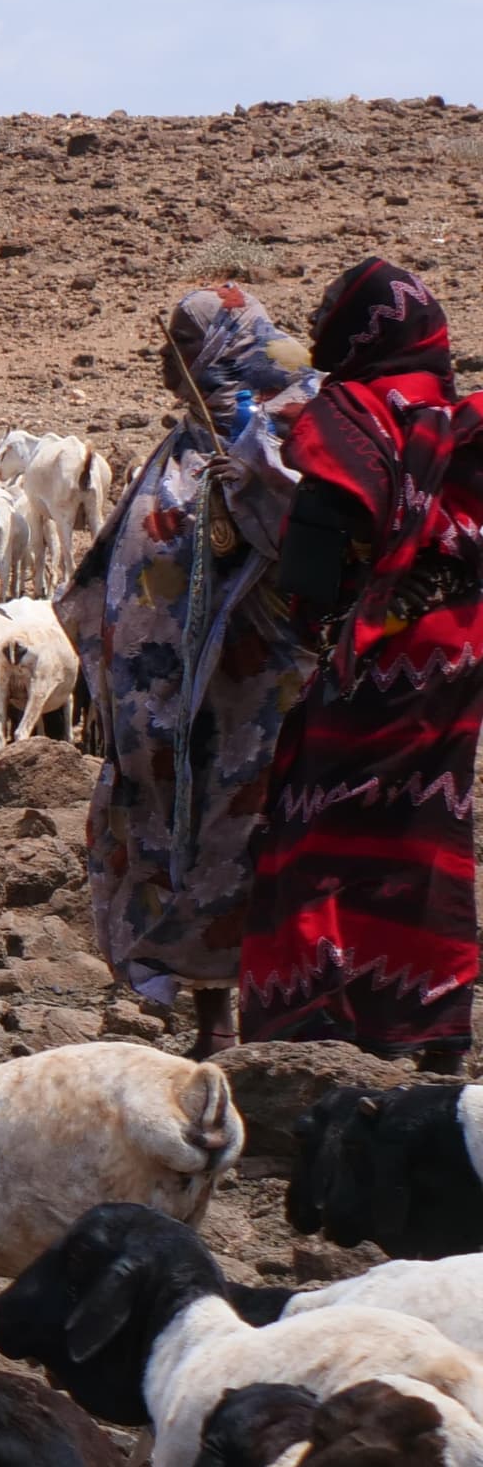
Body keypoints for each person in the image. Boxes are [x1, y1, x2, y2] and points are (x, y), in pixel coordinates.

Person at [62, 284, 320, 1055]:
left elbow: (291, 537)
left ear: (220, 346)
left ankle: (278, 1016)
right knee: (189, 836)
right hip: (179, 705)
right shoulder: (187, 441)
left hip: (260, 694)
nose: (164, 360)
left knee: (250, 837)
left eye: (180, 342)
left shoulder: (281, 433)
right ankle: (217, 1017)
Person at [245, 258, 483, 1070]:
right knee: (428, 827)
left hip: (381, 655)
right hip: (460, 650)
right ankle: (432, 1020)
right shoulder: (457, 420)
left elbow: (312, 564)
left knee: (316, 827)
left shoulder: (347, 415)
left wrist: (317, 618)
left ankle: (315, 1020)